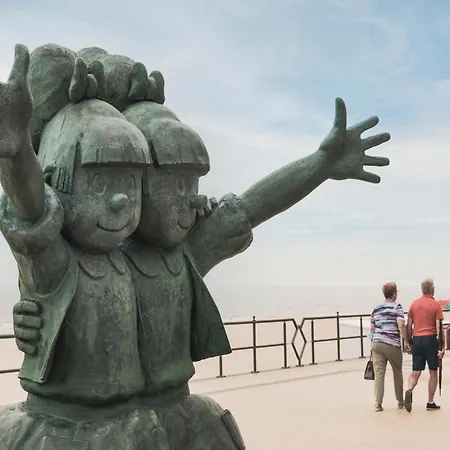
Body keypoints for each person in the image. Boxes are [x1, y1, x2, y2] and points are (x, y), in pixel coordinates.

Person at [404, 278, 445, 412]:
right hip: (430, 339)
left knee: (416, 371)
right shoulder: (436, 305)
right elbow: (439, 327)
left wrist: (409, 342)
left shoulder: (414, 304)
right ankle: (430, 401)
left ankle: (409, 389)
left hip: (417, 339)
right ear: (432, 289)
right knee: (433, 371)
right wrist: (442, 346)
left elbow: (409, 325)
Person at [370, 282, 409, 412]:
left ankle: (378, 404)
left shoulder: (376, 308)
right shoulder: (397, 307)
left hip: (376, 344)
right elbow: (401, 325)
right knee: (397, 372)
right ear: (394, 294)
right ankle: (400, 402)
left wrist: (372, 341)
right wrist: (407, 341)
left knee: (379, 374)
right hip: (392, 344)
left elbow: (372, 329)